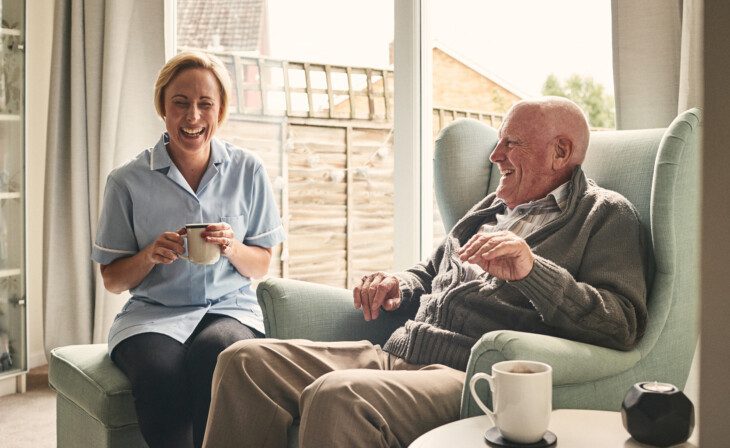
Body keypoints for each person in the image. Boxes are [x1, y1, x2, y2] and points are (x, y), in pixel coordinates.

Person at [202, 97, 649, 448]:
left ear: (560, 152)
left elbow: (622, 323)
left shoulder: (604, 215)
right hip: (398, 352)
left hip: (468, 373)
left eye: (512, 144)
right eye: (498, 141)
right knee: (243, 362)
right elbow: (432, 269)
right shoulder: (491, 208)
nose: (495, 156)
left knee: (339, 396)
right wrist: (399, 283)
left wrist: (532, 270)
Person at [92, 51, 285, 448]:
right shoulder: (126, 181)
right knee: (159, 373)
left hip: (228, 309)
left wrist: (231, 246)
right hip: (152, 315)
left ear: (220, 110)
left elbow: (263, 262)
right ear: (163, 106)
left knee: (218, 356)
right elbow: (112, 279)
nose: (192, 116)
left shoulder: (249, 170)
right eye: (180, 102)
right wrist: (149, 255)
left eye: (205, 104)